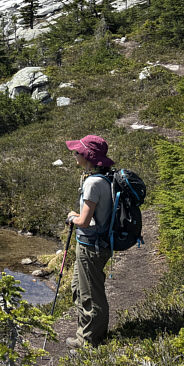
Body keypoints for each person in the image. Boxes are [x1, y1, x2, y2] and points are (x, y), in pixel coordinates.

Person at [64, 134, 115, 349]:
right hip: (96, 244)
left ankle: (90, 342)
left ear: (87, 156)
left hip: (90, 247)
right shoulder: (104, 178)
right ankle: (83, 334)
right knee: (79, 288)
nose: (74, 155)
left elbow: (84, 222)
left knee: (90, 295)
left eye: (77, 152)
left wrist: (72, 217)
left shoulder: (93, 183)